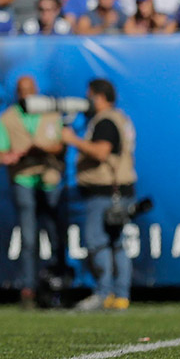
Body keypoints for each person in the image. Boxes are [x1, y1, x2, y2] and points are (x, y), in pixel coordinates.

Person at [0, 76, 65, 308]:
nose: (27, 95)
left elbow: (61, 144)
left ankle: (59, 285)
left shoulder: (50, 113)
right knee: (29, 238)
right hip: (23, 179)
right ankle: (29, 288)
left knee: (55, 234)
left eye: (30, 91)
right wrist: (6, 156)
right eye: (22, 91)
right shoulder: (8, 118)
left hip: (49, 180)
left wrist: (42, 148)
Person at [62, 79, 136, 311]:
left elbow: (101, 152)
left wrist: (72, 140)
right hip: (120, 189)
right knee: (117, 244)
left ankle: (104, 293)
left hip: (105, 191)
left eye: (90, 96)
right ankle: (121, 295)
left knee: (98, 242)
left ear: (99, 97)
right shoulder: (121, 118)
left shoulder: (105, 121)